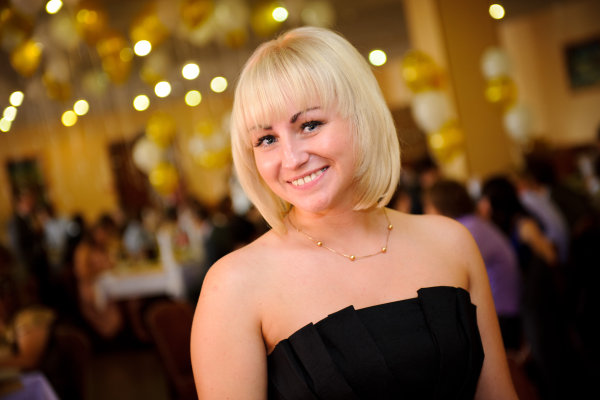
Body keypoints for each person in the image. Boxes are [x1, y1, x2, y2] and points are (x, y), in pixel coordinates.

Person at [191, 27, 517, 399]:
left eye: (309, 125)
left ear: (362, 117)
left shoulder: (451, 241)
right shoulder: (233, 285)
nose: (292, 159)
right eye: (267, 139)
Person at [424, 179, 523, 353]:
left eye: (428, 207)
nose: (425, 214)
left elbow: (445, 277)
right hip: (507, 309)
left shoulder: (464, 230)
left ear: (439, 207)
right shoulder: (472, 223)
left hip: (503, 315)